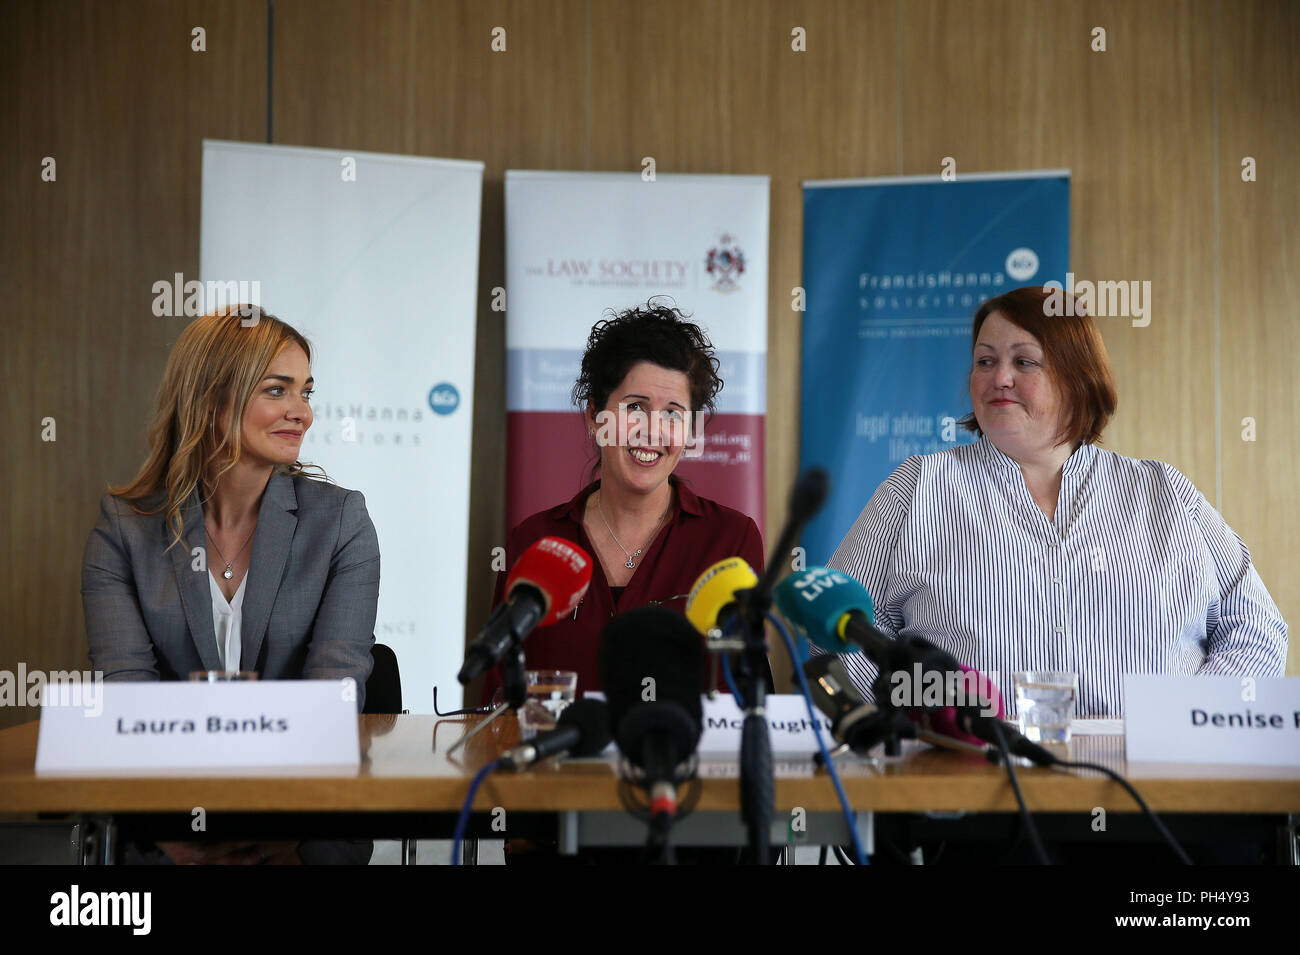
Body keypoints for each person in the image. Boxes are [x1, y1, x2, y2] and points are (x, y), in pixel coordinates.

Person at [827, 286, 1287, 718]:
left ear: (1078, 377)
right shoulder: (918, 487)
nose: (999, 378)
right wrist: (926, 725)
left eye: (1024, 362)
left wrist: (1185, 726)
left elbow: (1256, 631)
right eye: (984, 361)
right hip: (969, 777)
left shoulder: (1164, 492)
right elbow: (838, 634)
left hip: (1152, 783)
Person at [82, 305, 379, 864]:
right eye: (278, 391)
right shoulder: (123, 530)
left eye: (306, 392)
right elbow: (126, 703)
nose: (303, 413)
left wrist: (274, 832)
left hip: (301, 820)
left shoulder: (341, 523)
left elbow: (333, 698)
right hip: (166, 822)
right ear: (211, 401)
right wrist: (183, 838)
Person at [483, 299, 766, 702]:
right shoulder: (534, 541)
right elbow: (498, 703)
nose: (652, 431)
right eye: (635, 407)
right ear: (595, 417)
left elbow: (739, 694)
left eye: (673, 413)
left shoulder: (730, 540)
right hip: (555, 764)